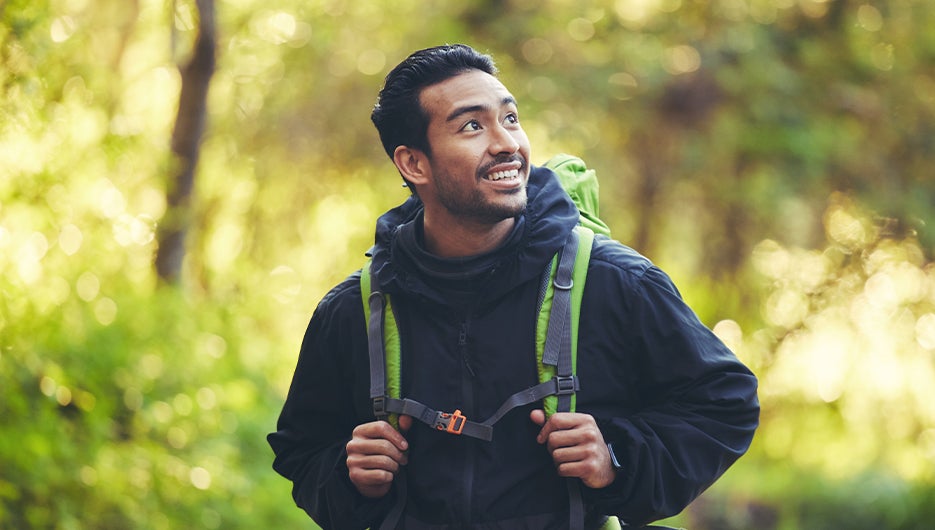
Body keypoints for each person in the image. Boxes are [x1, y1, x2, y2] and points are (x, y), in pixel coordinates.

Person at [268, 44, 759, 529]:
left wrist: (617, 458)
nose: (507, 143)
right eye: (472, 126)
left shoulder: (616, 282)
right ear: (414, 164)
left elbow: (724, 403)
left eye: (510, 119)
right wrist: (351, 478)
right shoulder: (353, 310)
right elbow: (302, 448)